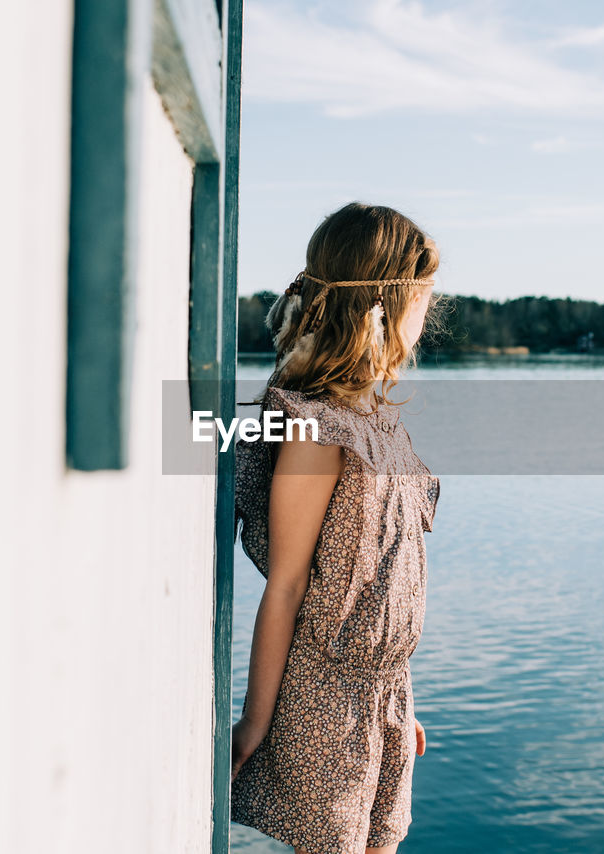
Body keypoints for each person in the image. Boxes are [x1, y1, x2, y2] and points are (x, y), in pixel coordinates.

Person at [229, 202, 442, 854]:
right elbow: (288, 587)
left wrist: (399, 704)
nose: (426, 316)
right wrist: (254, 725)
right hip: (322, 701)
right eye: (421, 300)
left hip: (385, 700)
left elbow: (385, 577)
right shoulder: (316, 427)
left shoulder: (379, 422)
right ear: (385, 303)